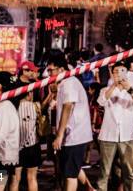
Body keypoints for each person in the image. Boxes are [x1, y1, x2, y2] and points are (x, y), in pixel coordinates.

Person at [46, 52, 95, 191]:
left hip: (75, 135)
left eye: (51, 70)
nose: (49, 73)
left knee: (69, 175)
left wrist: (59, 135)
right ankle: (89, 188)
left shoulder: (69, 83)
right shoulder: (64, 83)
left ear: (61, 69)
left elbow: (68, 106)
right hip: (71, 134)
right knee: (72, 166)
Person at [96, 63, 133, 191]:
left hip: (127, 135)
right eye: (116, 71)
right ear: (112, 74)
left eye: (122, 71)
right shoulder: (106, 90)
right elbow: (101, 101)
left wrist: (129, 88)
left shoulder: (131, 89)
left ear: (126, 73)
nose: (118, 74)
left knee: (128, 171)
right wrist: (113, 85)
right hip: (108, 136)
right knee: (104, 172)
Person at [12, 90, 42, 191]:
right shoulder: (36, 106)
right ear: (29, 94)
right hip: (33, 145)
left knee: (15, 180)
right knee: (32, 178)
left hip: (17, 147)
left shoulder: (14, 107)